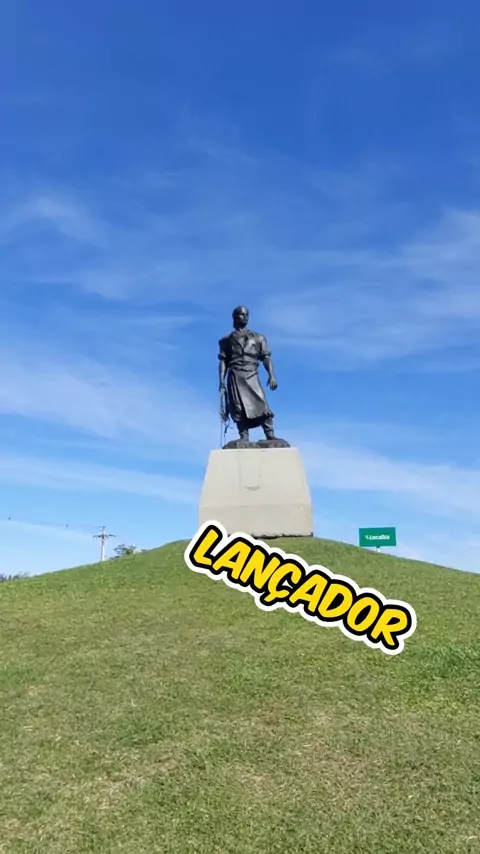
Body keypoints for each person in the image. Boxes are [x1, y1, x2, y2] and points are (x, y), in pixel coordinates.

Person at [218, 306, 278, 442]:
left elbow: (266, 357)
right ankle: (243, 435)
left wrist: (271, 375)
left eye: (246, 315)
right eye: (241, 314)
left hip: (251, 374)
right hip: (235, 375)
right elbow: (223, 361)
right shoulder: (226, 341)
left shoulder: (259, 338)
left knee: (261, 403)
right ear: (235, 317)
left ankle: (270, 434)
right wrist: (221, 380)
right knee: (237, 406)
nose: (244, 317)